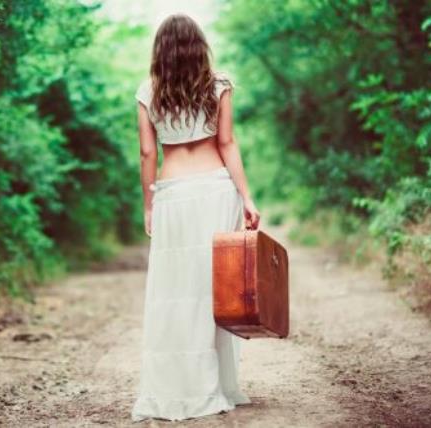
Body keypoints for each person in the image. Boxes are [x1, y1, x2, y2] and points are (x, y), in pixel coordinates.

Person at [130, 13, 261, 423]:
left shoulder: (148, 90)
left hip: (173, 195)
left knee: (175, 291)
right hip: (215, 190)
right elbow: (227, 142)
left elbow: (148, 154)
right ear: (198, 45)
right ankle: (218, 385)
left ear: (160, 49)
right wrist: (246, 197)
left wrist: (148, 203)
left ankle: (179, 385)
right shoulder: (218, 84)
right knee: (214, 288)